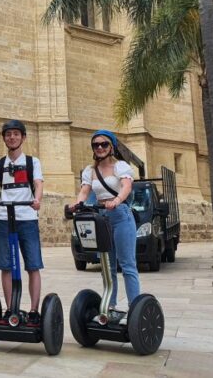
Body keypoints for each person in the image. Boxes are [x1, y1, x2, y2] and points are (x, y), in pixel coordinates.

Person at [0, 120, 44, 327]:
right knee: (6, 266)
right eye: (8, 134)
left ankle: (34, 310)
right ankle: (10, 309)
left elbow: (38, 184)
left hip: (27, 217)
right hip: (5, 218)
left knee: (33, 265)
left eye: (16, 134)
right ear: (4, 138)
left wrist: (37, 200)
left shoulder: (32, 162)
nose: (12, 137)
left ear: (23, 137)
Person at [73, 129, 138, 325]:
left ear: (112, 147)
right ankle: (109, 307)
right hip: (101, 219)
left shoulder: (121, 167)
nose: (100, 148)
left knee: (127, 265)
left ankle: (135, 309)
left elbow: (126, 187)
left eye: (104, 144)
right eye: (96, 145)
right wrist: (77, 205)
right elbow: (84, 191)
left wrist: (117, 200)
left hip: (121, 216)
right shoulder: (90, 171)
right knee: (107, 267)